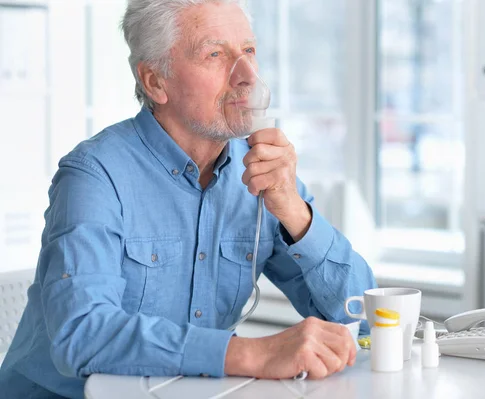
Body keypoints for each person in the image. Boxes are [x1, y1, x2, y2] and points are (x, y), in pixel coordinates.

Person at [0, 0, 377, 397]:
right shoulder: (95, 175)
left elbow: (363, 318)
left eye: (248, 51)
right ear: (155, 82)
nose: (247, 75)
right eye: (215, 54)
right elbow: (81, 332)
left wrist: (295, 212)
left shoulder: (262, 176)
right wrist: (254, 354)